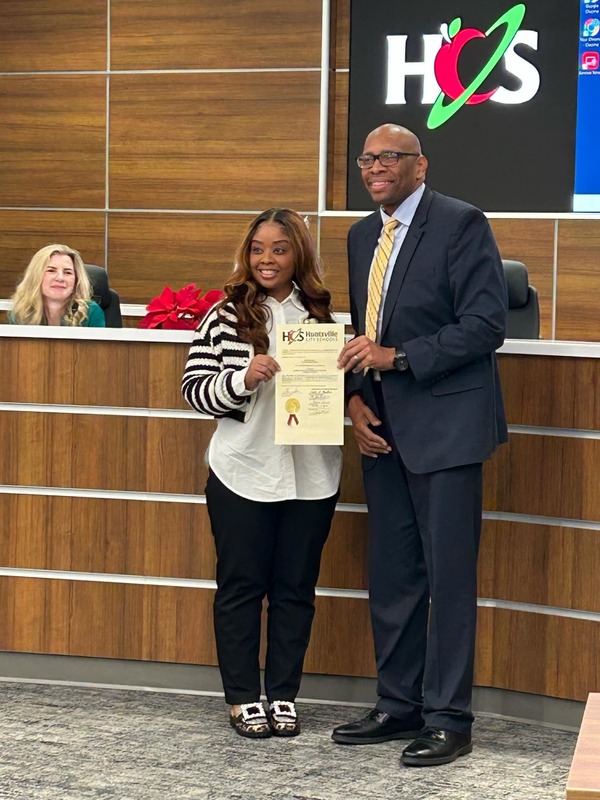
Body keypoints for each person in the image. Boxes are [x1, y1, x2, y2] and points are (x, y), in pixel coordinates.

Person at [333, 124, 508, 766]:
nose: (376, 167)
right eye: (368, 158)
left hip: (447, 431)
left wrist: (399, 357)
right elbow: (361, 330)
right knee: (394, 577)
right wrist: (354, 395)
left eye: (389, 158)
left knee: (449, 579)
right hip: (381, 433)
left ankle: (448, 718)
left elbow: (485, 325)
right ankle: (397, 704)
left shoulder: (461, 224)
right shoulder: (360, 236)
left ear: (418, 165)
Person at [182, 208, 342, 739]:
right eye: (257, 249)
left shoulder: (324, 317)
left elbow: (340, 391)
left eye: (278, 248)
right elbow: (194, 390)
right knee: (242, 587)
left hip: (313, 473)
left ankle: (283, 695)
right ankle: (243, 698)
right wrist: (242, 378)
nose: (266, 259)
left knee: (296, 589)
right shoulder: (225, 315)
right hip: (243, 472)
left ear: (299, 254)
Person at [9, 244, 105, 327]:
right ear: (36, 277)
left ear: (77, 280)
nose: (60, 278)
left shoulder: (91, 313)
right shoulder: (21, 312)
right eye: (51, 271)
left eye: (67, 272)